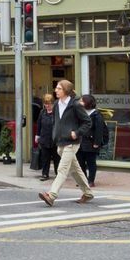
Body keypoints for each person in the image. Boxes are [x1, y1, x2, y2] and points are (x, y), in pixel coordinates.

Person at [39, 78, 94, 206]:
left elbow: (87, 122)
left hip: (72, 142)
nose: (56, 90)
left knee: (62, 169)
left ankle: (51, 195)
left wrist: (77, 132)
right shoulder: (57, 104)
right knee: (75, 169)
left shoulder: (75, 105)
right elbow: (57, 122)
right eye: (56, 88)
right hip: (60, 142)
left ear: (66, 91)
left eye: (59, 88)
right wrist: (55, 135)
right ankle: (88, 193)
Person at [76, 92, 107, 186]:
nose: (79, 102)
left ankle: (91, 180)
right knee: (80, 162)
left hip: (90, 142)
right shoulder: (81, 112)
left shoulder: (96, 114)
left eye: (81, 101)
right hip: (80, 141)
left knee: (91, 162)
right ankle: (83, 180)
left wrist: (97, 142)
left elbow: (99, 130)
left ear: (87, 102)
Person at [33, 92, 58, 179]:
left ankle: (58, 174)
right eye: (45, 104)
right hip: (44, 138)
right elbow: (39, 124)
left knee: (57, 158)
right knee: (45, 158)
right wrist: (37, 135)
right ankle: (45, 174)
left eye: (49, 104)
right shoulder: (42, 112)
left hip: (55, 139)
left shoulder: (57, 113)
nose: (47, 106)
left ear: (53, 103)